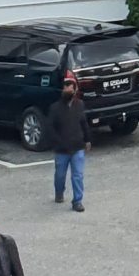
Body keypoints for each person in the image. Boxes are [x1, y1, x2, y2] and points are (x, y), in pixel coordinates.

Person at [45, 77, 88, 212]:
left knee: (78, 175)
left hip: (77, 147)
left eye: (70, 88)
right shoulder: (55, 108)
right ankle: (59, 192)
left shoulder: (80, 105)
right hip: (61, 149)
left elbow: (83, 123)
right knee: (60, 175)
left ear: (75, 91)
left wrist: (88, 139)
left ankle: (77, 201)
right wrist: (57, 142)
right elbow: (50, 127)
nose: (67, 90)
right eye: (65, 87)